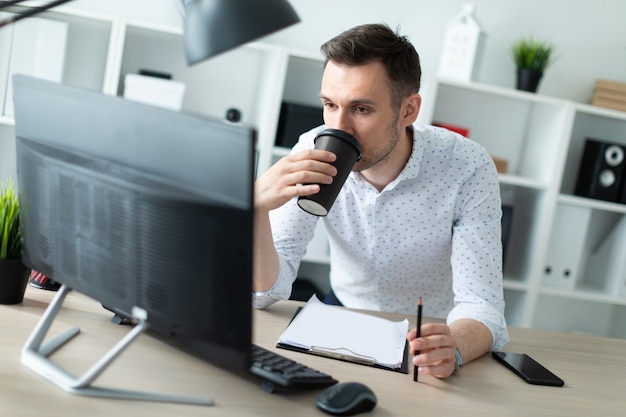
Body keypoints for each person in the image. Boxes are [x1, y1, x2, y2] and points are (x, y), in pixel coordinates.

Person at [252, 23, 508, 379]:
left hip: (431, 332)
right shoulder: (311, 150)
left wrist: (456, 345)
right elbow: (266, 294)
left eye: (360, 109)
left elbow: (484, 307)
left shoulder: (467, 166)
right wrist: (256, 209)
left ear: (408, 111)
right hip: (342, 316)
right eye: (329, 104)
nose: (339, 128)